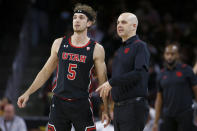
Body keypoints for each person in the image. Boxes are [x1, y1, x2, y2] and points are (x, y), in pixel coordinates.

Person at [17, 3, 110, 131]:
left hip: (81, 103)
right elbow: (45, 71)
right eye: (75, 17)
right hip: (59, 102)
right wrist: (28, 92)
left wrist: (105, 109)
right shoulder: (59, 43)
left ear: (89, 23)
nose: (77, 20)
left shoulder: (97, 49)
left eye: (81, 17)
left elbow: (103, 82)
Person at [96, 12, 150, 131]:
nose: (119, 25)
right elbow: (117, 83)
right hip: (119, 108)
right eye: (118, 23)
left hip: (133, 107)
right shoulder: (120, 50)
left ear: (134, 26)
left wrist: (111, 82)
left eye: (124, 22)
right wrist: (108, 109)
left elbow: (139, 74)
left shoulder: (140, 46)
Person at [152, 44, 197, 131]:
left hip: (185, 114)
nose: (170, 56)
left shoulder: (187, 70)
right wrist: (156, 122)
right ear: (164, 55)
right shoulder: (161, 74)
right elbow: (159, 98)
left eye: (172, 54)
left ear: (177, 55)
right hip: (168, 115)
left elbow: (196, 90)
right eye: (167, 54)